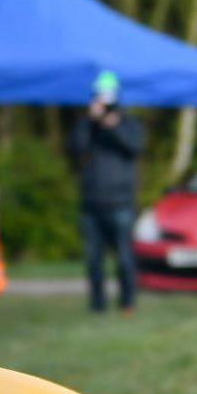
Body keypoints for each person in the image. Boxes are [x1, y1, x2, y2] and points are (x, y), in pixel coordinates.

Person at [69, 70, 145, 313]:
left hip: (121, 203)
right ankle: (97, 305)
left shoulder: (127, 123)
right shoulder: (87, 125)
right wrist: (92, 122)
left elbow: (135, 147)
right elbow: (75, 148)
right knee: (93, 261)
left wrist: (112, 128)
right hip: (92, 204)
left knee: (124, 258)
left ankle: (127, 302)